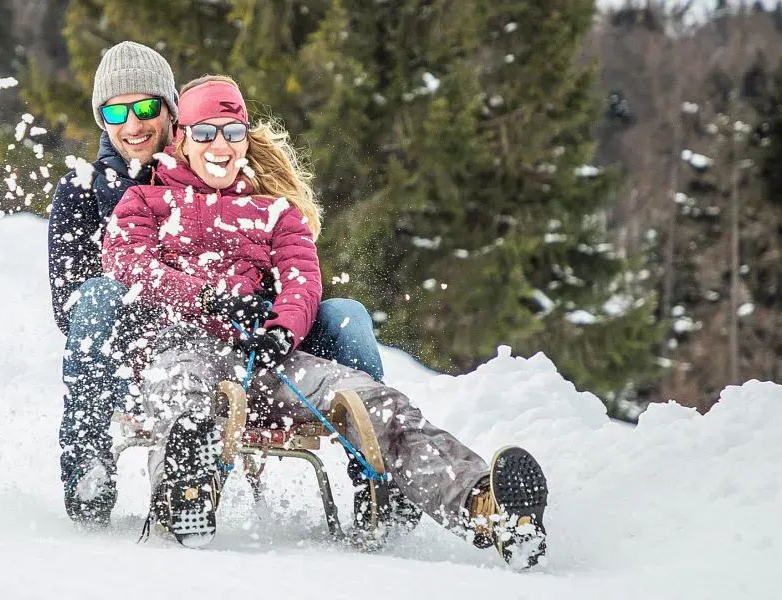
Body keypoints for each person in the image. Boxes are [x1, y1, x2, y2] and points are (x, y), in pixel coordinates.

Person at [101, 75, 549, 567]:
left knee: (374, 401)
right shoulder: (144, 201)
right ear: (182, 139)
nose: (220, 145)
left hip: (265, 358)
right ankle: (185, 496)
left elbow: (303, 283)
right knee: (182, 396)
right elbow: (128, 262)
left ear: (246, 139)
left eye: (232, 132)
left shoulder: (274, 213)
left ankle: (485, 508)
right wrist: (210, 298)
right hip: (181, 346)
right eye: (205, 132)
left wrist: (281, 331)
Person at [47, 42, 389, 528]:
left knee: (346, 314)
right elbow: (72, 309)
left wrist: (265, 315)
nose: (133, 124)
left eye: (146, 107)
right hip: (148, 346)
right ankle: (87, 460)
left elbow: (294, 263)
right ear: (100, 119)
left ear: (172, 114)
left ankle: (377, 473)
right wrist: (184, 298)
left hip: (252, 332)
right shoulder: (84, 192)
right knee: (101, 292)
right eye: (115, 111)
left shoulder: (220, 157)